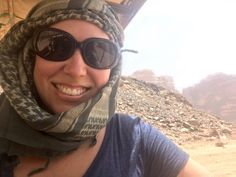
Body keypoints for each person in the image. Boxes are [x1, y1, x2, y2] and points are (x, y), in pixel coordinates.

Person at [0, 0, 212, 176]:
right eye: (56, 46)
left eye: (99, 52)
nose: (76, 70)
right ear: (28, 56)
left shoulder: (134, 139)